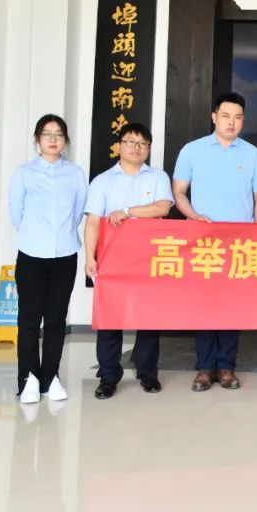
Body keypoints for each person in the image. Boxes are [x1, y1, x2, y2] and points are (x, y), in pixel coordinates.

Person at [172, 92, 257, 392]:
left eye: (237, 117)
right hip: (204, 243)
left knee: (231, 306)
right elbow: (179, 193)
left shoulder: (252, 154)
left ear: (243, 120)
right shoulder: (192, 150)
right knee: (204, 305)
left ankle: (226, 367)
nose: (231, 122)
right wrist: (194, 216)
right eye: (226, 116)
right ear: (214, 117)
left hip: (240, 245)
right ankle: (204, 368)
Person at [84, 123, 173, 399]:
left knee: (149, 317)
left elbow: (163, 207)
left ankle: (148, 372)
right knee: (110, 318)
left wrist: (127, 211)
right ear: (119, 145)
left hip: (149, 258)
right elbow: (93, 221)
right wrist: (89, 257)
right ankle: (108, 375)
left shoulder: (157, 177)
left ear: (148, 148)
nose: (136, 147)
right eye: (131, 141)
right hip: (112, 260)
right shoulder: (102, 181)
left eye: (143, 143)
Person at [8, 114, 87, 404]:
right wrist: (37, 234)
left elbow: (78, 211)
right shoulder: (24, 173)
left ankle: (50, 377)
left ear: (65, 140)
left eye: (58, 134)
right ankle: (28, 378)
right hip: (31, 254)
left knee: (56, 319)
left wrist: (60, 234)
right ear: (37, 140)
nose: (53, 140)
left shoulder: (75, 173)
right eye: (47, 134)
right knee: (29, 319)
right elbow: (16, 212)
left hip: (65, 255)